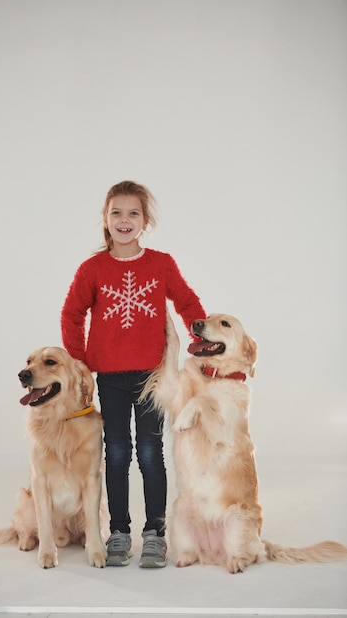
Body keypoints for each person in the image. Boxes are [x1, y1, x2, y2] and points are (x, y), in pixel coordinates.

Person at [61, 180, 207, 568]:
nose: (124, 220)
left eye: (133, 213)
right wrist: (78, 363)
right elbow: (72, 314)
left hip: (151, 377)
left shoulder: (161, 264)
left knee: (150, 452)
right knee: (118, 452)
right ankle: (120, 533)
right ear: (105, 219)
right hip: (108, 376)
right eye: (116, 213)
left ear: (146, 220)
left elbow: (187, 301)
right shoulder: (92, 269)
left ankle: (155, 533)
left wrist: (202, 336)